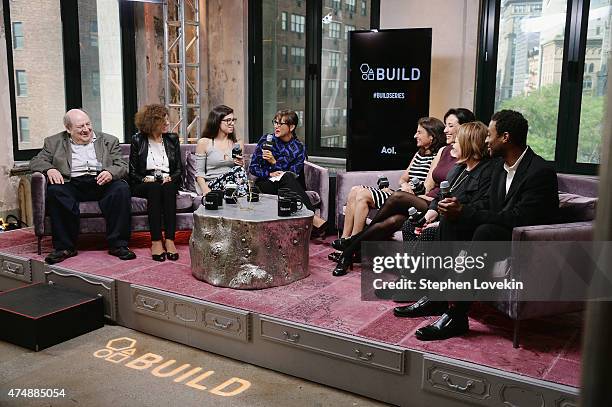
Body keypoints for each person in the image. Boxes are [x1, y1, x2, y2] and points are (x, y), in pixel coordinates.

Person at [412, 109, 559, 341]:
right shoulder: (499, 168)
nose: (487, 139)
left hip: (529, 241)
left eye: (490, 135)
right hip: (501, 230)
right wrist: (457, 210)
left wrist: (467, 211)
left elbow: (519, 219)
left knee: (485, 230)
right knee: (451, 222)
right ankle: (437, 298)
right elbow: (492, 209)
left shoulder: (540, 172)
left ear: (506, 137)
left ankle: (457, 315)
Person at [330, 108, 476, 276]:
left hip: (439, 205)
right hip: (426, 199)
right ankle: (350, 254)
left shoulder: (468, 155)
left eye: (450, 126)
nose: (445, 130)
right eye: (445, 126)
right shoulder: (444, 151)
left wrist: (411, 196)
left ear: (465, 128)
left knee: (397, 196)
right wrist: (412, 195)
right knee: (393, 220)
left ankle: (350, 245)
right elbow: (428, 186)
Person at [392, 121, 494, 317]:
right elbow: (439, 197)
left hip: (464, 225)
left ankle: (418, 285)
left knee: (430, 232)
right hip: (444, 218)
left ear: (469, 144)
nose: (452, 145)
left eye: (456, 141)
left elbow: (478, 207)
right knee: (409, 225)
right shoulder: (458, 169)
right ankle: (418, 282)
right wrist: (431, 212)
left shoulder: (486, 172)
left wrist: (441, 220)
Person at [330, 117, 445, 260]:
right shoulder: (418, 154)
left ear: (432, 136)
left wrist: (410, 189)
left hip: (410, 199)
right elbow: (403, 178)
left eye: (419, 132)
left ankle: (352, 245)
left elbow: (427, 187)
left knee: (362, 196)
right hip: (400, 193)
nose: (415, 136)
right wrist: (404, 185)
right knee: (355, 190)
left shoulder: (438, 157)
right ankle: (346, 241)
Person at [30, 109, 136, 264]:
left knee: (121, 188)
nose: (86, 129)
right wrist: (50, 169)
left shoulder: (109, 140)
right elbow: (35, 161)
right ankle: (64, 247)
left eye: (88, 124)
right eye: (80, 127)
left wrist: (110, 172)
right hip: (71, 183)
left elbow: (122, 165)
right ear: (68, 129)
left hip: (101, 181)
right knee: (55, 191)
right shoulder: (53, 142)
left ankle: (118, 245)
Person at [249, 109, 327, 236]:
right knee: (286, 179)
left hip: (287, 185)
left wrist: (274, 162)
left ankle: (309, 221)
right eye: (275, 122)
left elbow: (293, 173)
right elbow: (253, 168)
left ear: (291, 127)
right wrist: (269, 173)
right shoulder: (266, 140)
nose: (276, 126)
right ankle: (313, 219)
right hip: (265, 183)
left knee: (287, 178)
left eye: (281, 123)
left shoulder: (298, 147)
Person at [129, 104, 183, 262]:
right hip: (145, 181)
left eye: (167, 120)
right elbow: (132, 172)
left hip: (167, 179)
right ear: (152, 123)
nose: (168, 124)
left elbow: (178, 169)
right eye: (164, 121)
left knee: (167, 187)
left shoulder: (172, 139)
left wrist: (170, 177)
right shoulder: (137, 140)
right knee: (154, 187)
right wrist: (145, 179)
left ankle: (170, 240)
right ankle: (156, 241)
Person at [195, 105, 248, 196]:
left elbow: (240, 172)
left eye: (233, 120)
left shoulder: (237, 143)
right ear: (217, 121)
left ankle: (239, 199)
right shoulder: (204, 143)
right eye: (228, 120)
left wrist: (241, 163)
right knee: (238, 172)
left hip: (232, 184)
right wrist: (205, 190)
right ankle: (244, 200)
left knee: (238, 170)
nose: (232, 123)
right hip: (212, 184)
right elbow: (199, 173)